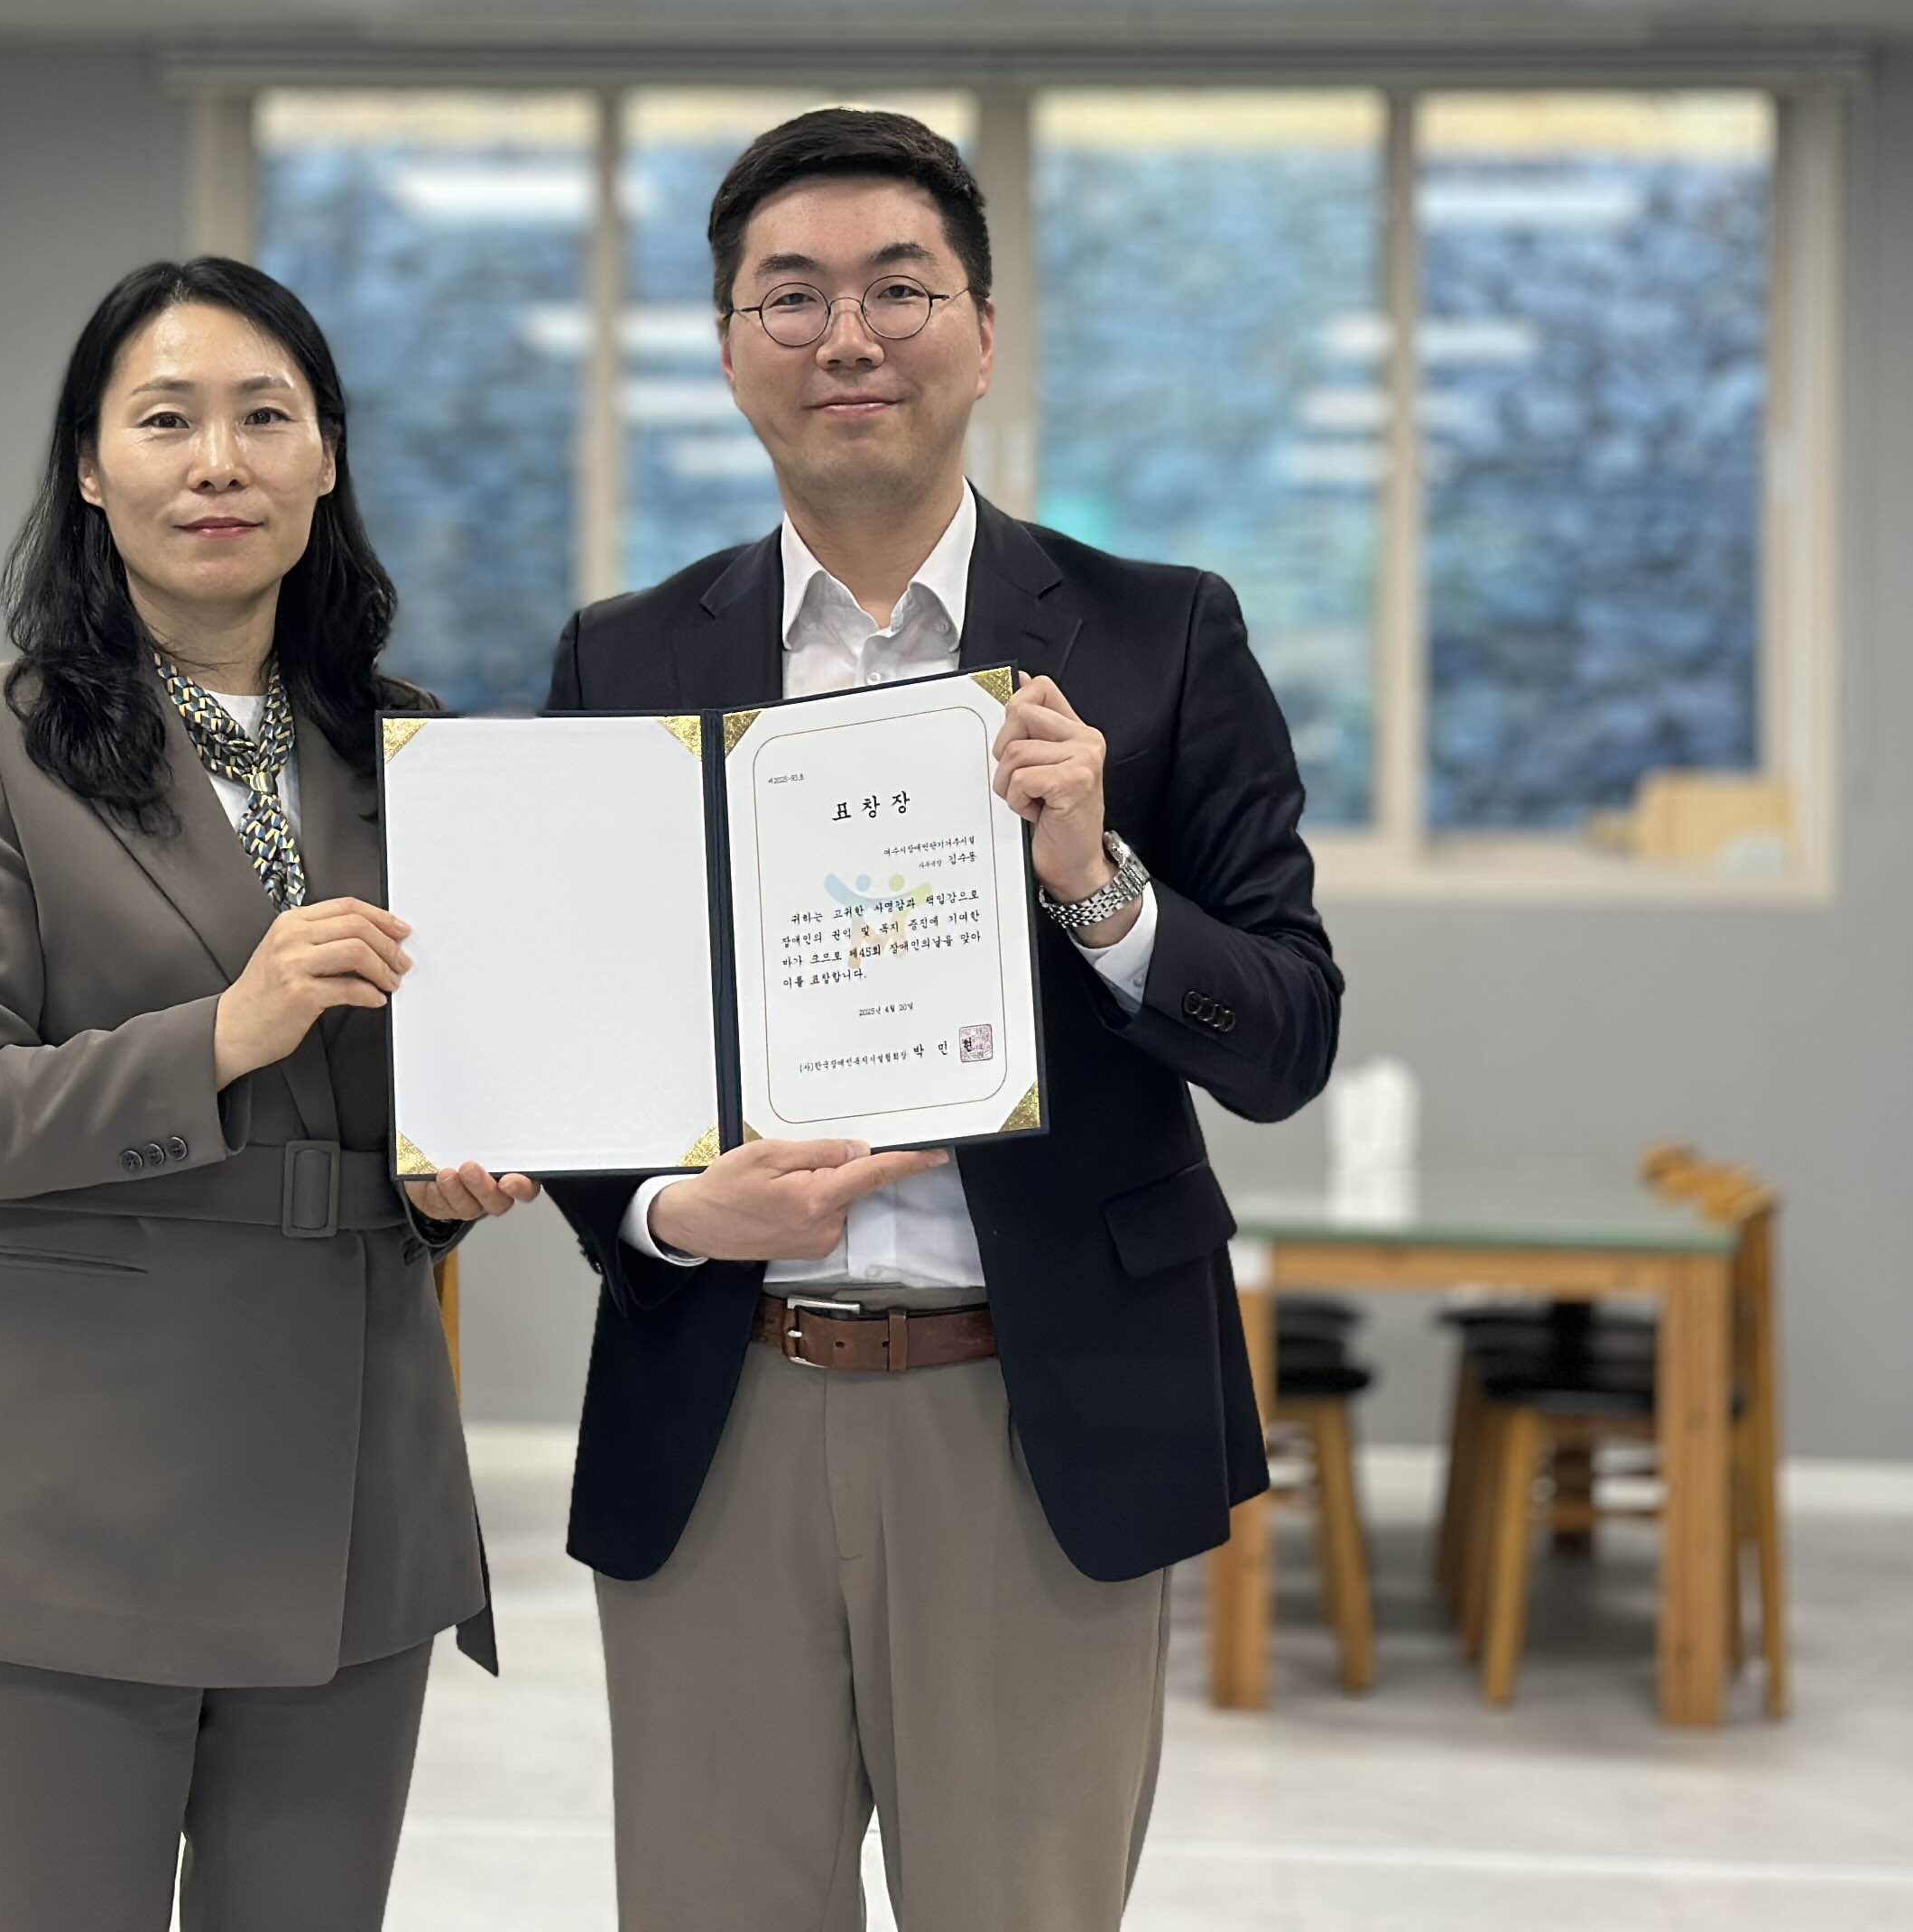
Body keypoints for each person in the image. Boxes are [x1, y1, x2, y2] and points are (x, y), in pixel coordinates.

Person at [542, 108, 1344, 1932]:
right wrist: (668, 1209)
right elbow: (572, 1045)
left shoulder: (1161, 638)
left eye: (898, 290)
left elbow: (1288, 1036)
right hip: (723, 1402)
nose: (848, 336)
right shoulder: (627, 661)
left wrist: (1100, 883)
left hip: (1037, 1416)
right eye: (793, 295)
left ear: (983, 335)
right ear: (729, 348)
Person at [0, 256, 533, 1932]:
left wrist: (443, 1184)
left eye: (264, 417)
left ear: (327, 457)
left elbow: (425, 1097)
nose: (217, 462)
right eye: (165, 420)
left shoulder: (412, 750)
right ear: (91, 468)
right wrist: (218, 1035)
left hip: (355, 1500)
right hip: (73, 1500)